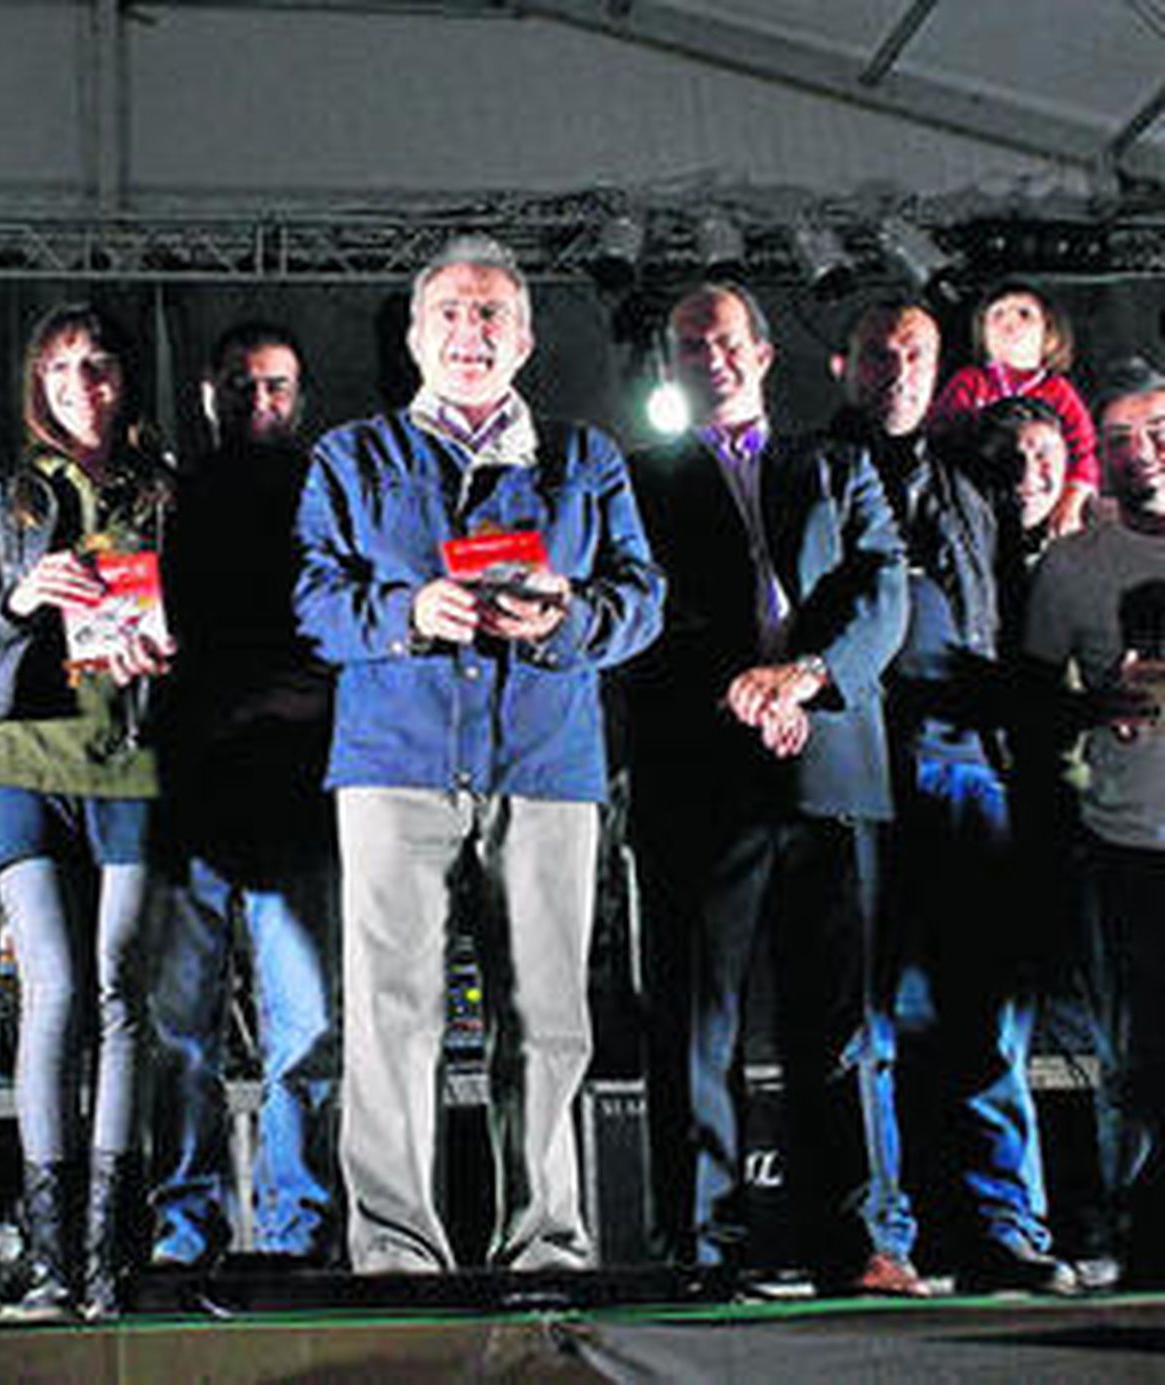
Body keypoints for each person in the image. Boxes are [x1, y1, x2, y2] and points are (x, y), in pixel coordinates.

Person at [294, 233, 664, 1274]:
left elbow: (641, 603)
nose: (471, 332)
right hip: (393, 760)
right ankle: (397, 1250)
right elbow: (314, 602)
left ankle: (546, 1238)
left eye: (492, 313)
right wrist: (407, 609)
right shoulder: (349, 458)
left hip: (546, 761)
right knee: (389, 1013)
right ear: (415, 335)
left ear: (526, 338)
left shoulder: (586, 460)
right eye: (450, 313)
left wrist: (562, 616)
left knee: (547, 1013)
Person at [627, 282, 913, 1298]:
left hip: (830, 765)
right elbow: (641, 613)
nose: (712, 357)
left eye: (727, 340)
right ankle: (699, 1246)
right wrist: (742, 689)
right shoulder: (639, 481)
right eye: (690, 344)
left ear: (761, 354)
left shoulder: (839, 465)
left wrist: (803, 677)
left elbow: (881, 589)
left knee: (834, 1026)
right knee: (695, 1023)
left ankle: (859, 1240)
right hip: (699, 777)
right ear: (672, 365)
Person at [831, 300, 1074, 1294]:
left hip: (971, 769)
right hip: (863, 771)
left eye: (916, 352)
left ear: (944, 369)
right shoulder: (815, 465)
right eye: (881, 353)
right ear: (846, 364)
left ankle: (1000, 1224)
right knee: (868, 1019)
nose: (896, 368)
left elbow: (1012, 613)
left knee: (982, 1018)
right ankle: (878, 1234)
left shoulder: (976, 476)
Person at [0, 303, 173, 1318]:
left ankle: (109, 1253)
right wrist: (15, 602)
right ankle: (50, 1257)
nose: (78, 384)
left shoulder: (166, 491)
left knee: (119, 990)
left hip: (128, 755)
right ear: (35, 383)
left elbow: (207, 615)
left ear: (121, 378)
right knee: (52, 989)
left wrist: (171, 654)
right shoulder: (3, 494)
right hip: (21, 754)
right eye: (57, 367)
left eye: (95, 365)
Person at [150, 323, 339, 1270]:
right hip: (188, 792)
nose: (258, 402)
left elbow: (353, 626)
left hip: (301, 796)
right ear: (207, 391)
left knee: (305, 1029)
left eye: (276, 385)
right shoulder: (172, 498)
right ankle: (183, 1230)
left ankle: (296, 1228)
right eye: (241, 385)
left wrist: (305, 695)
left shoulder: (331, 490)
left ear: (299, 394)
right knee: (179, 1031)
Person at [1021, 356, 1165, 1287]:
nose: (1140, 454)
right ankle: (1146, 1236)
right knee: (1143, 1060)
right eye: (1116, 439)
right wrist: (1093, 704)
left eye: (1155, 434)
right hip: (1130, 844)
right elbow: (1029, 700)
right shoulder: (1073, 566)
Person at [929, 281, 1097, 538]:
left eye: (1024, 314)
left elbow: (1084, 447)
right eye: (997, 315)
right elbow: (941, 435)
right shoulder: (970, 382)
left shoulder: (1058, 391)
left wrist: (1071, 500)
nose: (1009, 322)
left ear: (1049, 332)